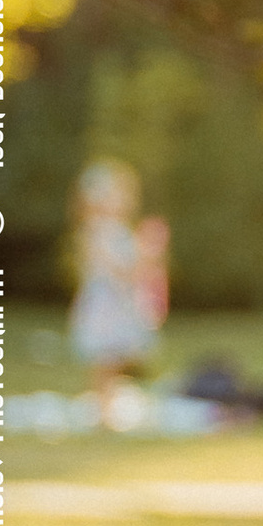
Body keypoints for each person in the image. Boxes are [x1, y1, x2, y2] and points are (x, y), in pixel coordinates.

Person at [68, 157, 169, 413]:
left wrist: (147, 257)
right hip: (106, 302)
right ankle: (104, 410)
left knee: (120, 356)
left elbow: (133, 266)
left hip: (121, 300)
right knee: (105, 358)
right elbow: (112, 266)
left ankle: (108, 404)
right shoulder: (96, 230)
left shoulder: (121, 229)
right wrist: (138, 263)